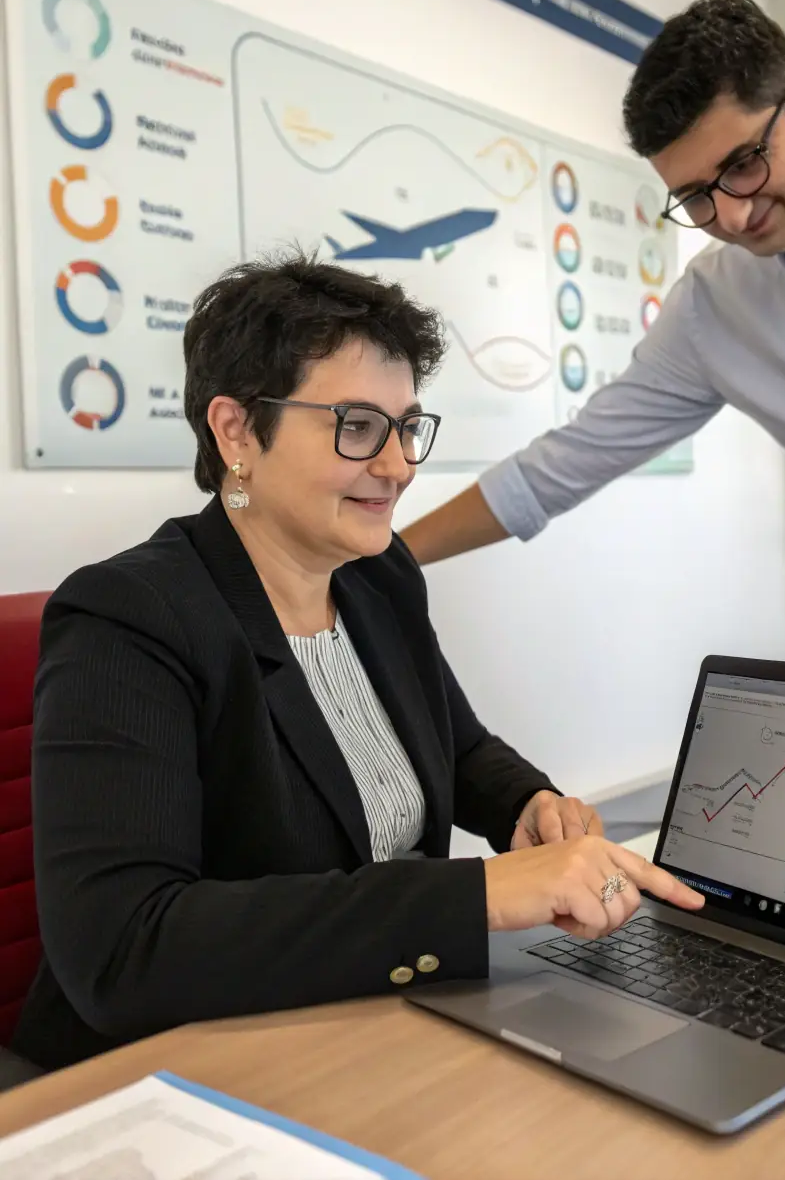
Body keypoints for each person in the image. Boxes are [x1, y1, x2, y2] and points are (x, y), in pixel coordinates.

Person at [14, 255, 702, 1071]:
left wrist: (529, 803)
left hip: (371, 1021)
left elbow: (458, 745)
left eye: (407, 425)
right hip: (173, 1069)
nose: (400, 464)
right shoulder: (129, 619)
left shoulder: (377, 574)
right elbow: (127, 948)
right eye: (357, 426)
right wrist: (478, 894)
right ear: (236, 430)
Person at [401, 0, 785, 756]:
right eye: (696, 196)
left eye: (742, 164)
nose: (730, 216)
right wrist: (385, 556)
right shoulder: (714, 307)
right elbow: (565, 463)